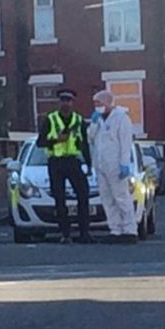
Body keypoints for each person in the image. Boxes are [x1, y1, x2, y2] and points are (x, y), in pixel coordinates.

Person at [37, 88, 95, 245]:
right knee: (59, 199)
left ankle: (84, 233)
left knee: (83, 195)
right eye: (63, 100)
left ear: (73, 102)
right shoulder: (51, 119)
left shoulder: (78, 120)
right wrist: (56, 139)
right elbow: (40, 142)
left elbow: (84, 144)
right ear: (59, 102)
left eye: (68, 101)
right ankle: (65, 233)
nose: (66, 104)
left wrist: (89, 164)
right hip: (56, 163)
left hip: (73, 162)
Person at [88, 90, 137, 244]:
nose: (97, 106)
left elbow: (125, 143)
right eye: (95, 103)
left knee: (121, 198)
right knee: (107, 199)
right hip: (101, 165)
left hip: (116, 165)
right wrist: (94, 124)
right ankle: (115, 229)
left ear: (108, 103)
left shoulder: (121, 119)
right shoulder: (98, 120)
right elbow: (91, 138)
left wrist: (124, 164)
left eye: (99, 103)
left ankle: (130, 230)